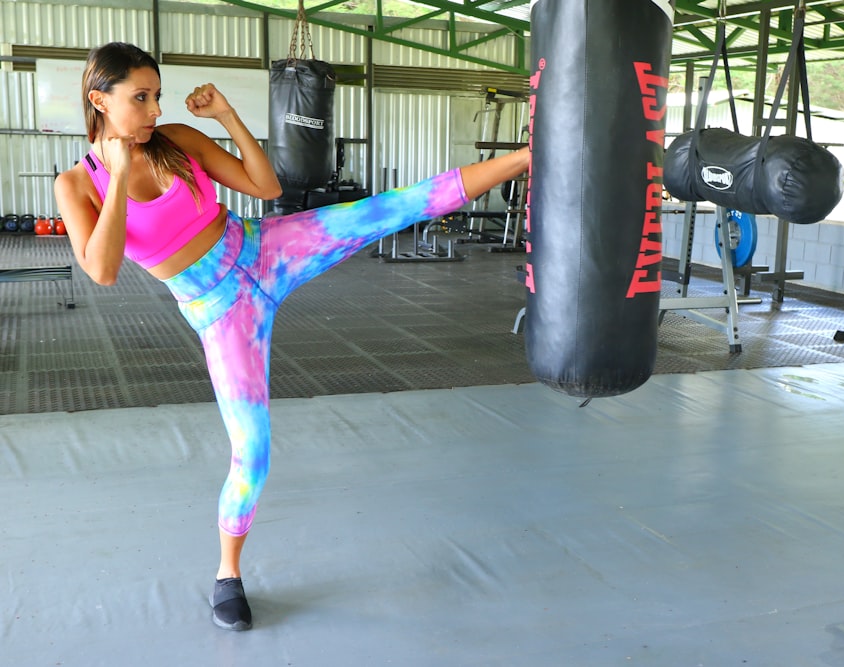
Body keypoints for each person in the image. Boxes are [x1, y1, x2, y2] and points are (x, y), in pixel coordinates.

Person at [54, 41, 531, 632]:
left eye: (156, 95)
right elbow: (100, 271)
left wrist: (227, 117)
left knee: (387, 209)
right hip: (221, 311)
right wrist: (121, 179)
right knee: (252, 453)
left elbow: (267, 188)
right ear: (100, 99)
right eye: (140, 97)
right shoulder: (79, 184)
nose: (153, 109)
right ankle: (228, 574)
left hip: (264, 249)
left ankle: (526, 158)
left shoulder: (177, 139)